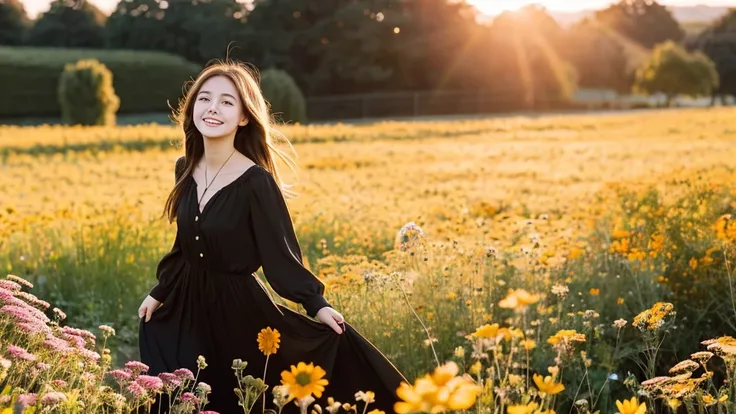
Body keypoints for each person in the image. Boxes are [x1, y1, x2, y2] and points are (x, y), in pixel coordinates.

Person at [137, 61, 408, 413]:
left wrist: (317, 304)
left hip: (238, 312)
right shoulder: (185, 168)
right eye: (204, 99)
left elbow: (280, 255)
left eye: (227, 102)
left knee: (241, 397)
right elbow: (186, 243)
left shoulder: (256, 182)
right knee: (180, 394)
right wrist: (160, 291)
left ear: (245, 117)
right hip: (187, 304)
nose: (213, 108)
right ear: (192, 109)